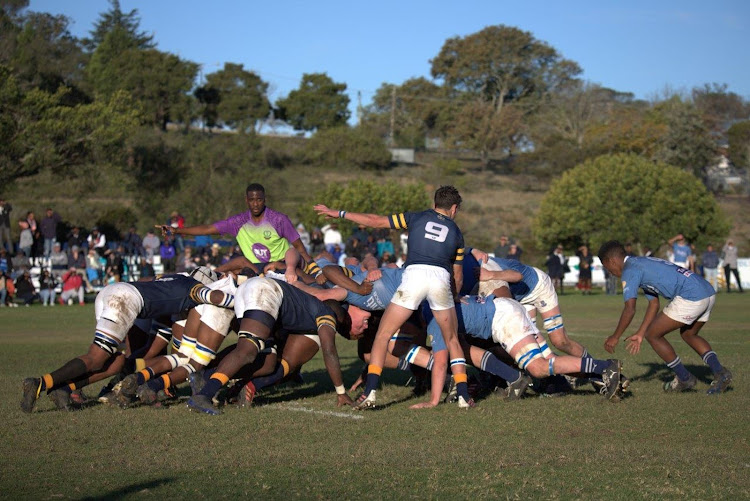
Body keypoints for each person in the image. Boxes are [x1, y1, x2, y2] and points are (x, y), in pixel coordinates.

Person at [314, 185, 475, 409]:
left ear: (434, 203)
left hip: (414, 276)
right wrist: (454, 297)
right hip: (439, 278)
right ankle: (464, 397)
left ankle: (370, 393)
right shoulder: (457, 234)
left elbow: (374, 220)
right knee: (452, 341)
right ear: (454, 208)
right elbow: (457, 276)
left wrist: (339, 213)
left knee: (383, 335)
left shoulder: (416, 217)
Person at [20, 267, 228, 413]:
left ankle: (64, 390)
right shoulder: (195, 288)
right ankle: (39, 383)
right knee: (96, 357)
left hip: (114, 292)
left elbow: (157, 334)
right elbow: (218, 299)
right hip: (124, 300)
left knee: (115, 362)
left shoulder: (175, 278)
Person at [186, 276, 359, 415]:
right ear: (338, 317)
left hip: (251, 290)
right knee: (247, 350)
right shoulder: (326, 313)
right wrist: (341, 391)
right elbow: (329, 350)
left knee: (268, 361)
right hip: (265, 292)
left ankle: (206, 375)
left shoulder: (305, 310)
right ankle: (204, 394)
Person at [598, 240, 732, 394]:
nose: (609, 271)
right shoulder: (640, 262)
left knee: (654, 335)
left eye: (606, 267)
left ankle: (684, 378)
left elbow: (630, 309)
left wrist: (615, 337)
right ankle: (720, 373)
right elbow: (654, 304)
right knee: (689, 334)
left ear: (611, 261)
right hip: (707, 291)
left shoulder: (630, 270)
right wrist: (640, 334)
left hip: (691, 296)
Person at [158, 183, 313, 268]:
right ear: (246, 200)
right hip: (255, 269)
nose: (255, 204)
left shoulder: (279, 219)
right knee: (234, 266)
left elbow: (299, 247)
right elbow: (207, 229)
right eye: (252, 200)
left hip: (282, 265)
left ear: (265, 199)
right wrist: (177, 230)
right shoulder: (238, 222)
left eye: (259, 199)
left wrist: (312, 267)